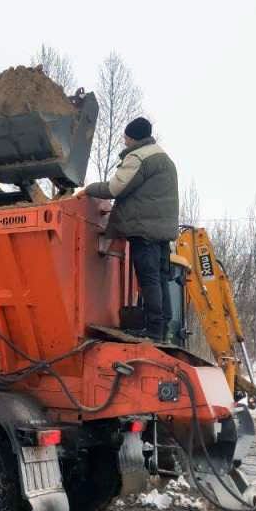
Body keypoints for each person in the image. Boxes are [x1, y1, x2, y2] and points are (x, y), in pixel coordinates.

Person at [76, 117, 179, 342]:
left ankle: (153, 330)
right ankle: (161, 329)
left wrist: (88, 190)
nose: (124, 142)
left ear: (133, 137)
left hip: (144, 229)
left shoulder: (139, 157)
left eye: (126, 138)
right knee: (160, 279)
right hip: (161, 231)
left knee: (148, 278)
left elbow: (115, 187)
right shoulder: (164, 158)